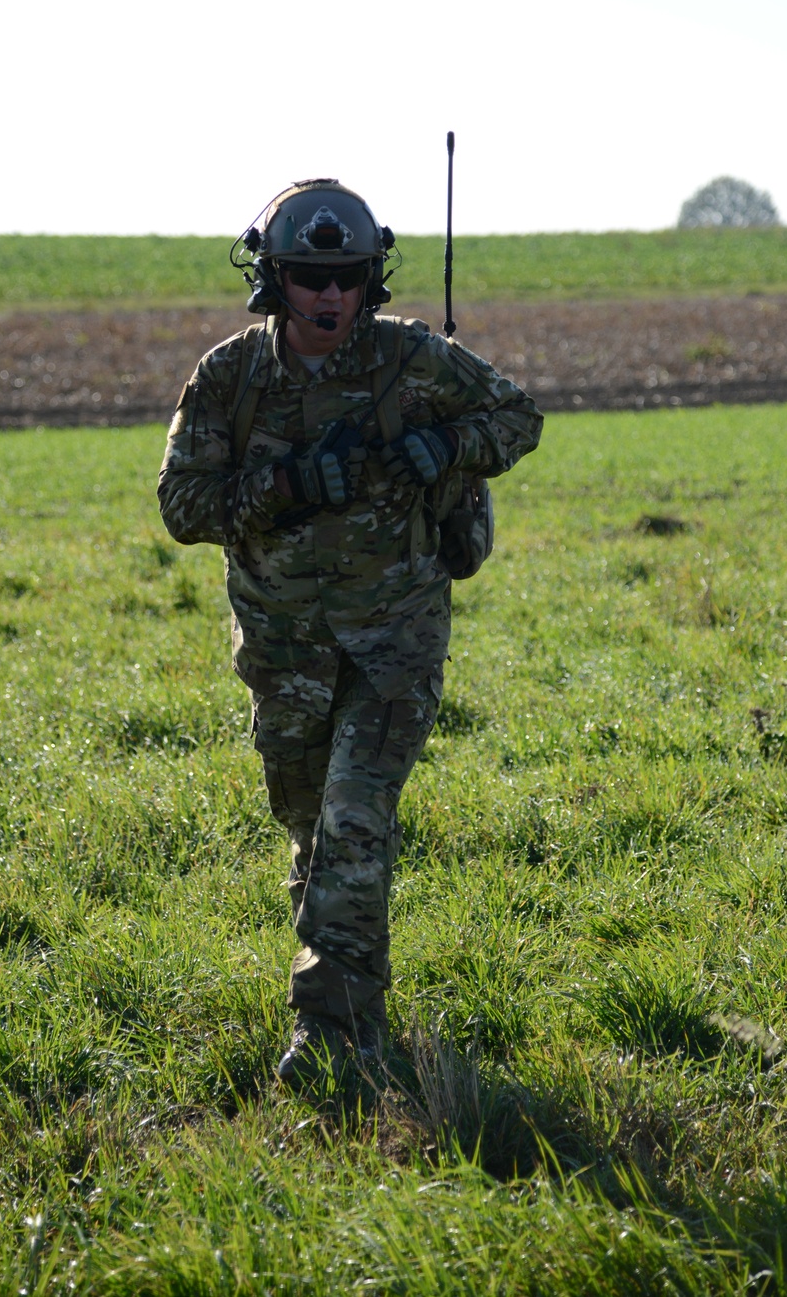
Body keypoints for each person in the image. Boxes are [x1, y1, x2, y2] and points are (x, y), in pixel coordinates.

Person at [158, 178, 543, 1085]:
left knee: (353, 823)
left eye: (347, 276)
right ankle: (351, 993)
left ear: (373, 277)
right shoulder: (229, 377)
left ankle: (332, 1037)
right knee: (313, 838)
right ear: (273, 278)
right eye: (308, 276)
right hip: (285, 654)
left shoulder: (414, 360)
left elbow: (518, 417)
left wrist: (448, 448)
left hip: (394, 642)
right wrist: (285, 485)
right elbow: (181, 507)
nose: (329, 295)